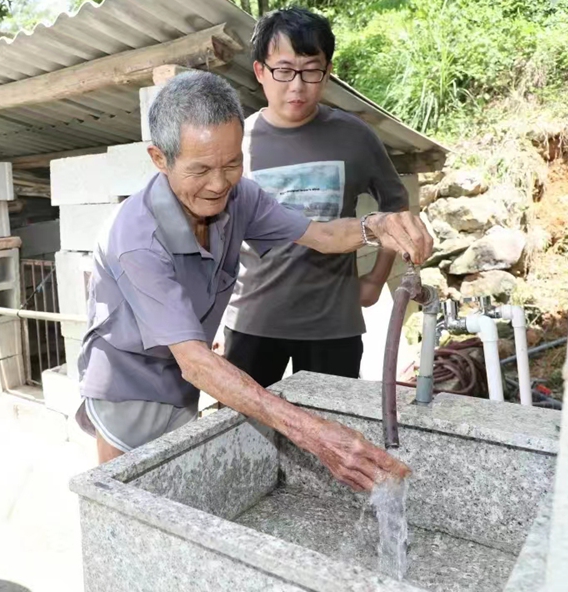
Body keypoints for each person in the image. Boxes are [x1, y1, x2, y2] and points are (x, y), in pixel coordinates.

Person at [74, 71, 432, 492]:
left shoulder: (240, 196)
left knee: (178, 496)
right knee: (126, 502)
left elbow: (321, 235)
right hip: (128, 386)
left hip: (183, 383)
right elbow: (196, 361)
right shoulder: (137, 239)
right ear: (159, 158)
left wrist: (378, 225)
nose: (218, 184)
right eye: (200, 169)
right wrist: (315, 434)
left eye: (231, 164)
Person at [220, 8, 412, 386]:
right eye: (284, 70)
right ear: (260, 71)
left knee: (329, 421)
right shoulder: (237, 141)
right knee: (247, 420)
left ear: (327, 71)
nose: (297, 86)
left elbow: (395, 207)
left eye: (311, 71)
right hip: (252, 321)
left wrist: (377, 279)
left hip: (334, 325)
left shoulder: (354, 136)